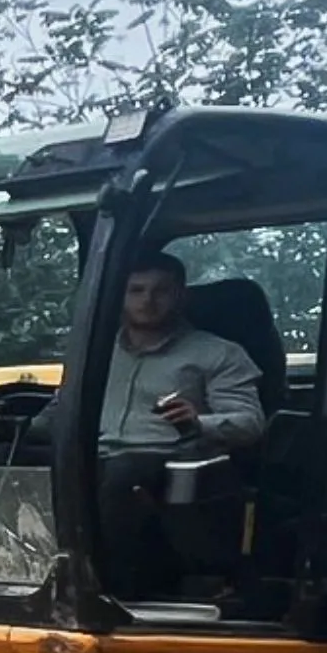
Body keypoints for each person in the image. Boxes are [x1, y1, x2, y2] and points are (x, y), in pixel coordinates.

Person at [95, 249, 266, 599]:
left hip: (170, 459)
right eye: (136, 290)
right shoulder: (95, 353)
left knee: (123, 474)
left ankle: (112, 594)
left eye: (160, 291)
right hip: (93, 455)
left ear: (181, 296)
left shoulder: (219, 353)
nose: (147, 301)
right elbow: (61, 407)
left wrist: (199, 422)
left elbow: (250, 422)